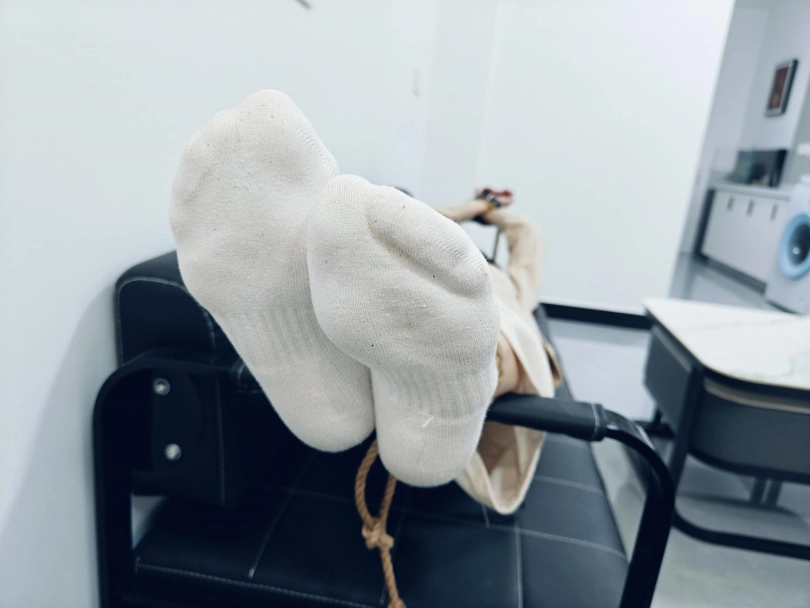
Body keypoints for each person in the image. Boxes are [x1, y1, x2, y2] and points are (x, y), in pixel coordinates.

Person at [170, 90, 563, 604]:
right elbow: (516, 234)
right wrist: (493, 212)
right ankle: (437, 393)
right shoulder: (416, 252)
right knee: (495, 322)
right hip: (439, 301)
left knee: (493, 322)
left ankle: (385, 388)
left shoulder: (448, 263)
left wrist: (481, 209)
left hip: (466, 302)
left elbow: (447, 224)